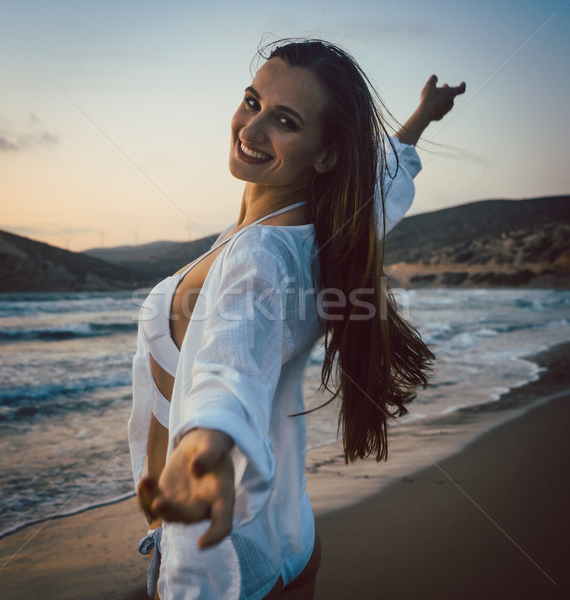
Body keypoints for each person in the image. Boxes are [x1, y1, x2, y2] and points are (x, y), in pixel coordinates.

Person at [129, 39, 465, 599]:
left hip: (226, 567)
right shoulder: (331, 231)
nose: (251, 129)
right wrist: (421, 118)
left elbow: (229, 361)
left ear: (325, 153)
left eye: (284, 121)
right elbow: (384, 189)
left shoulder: (256, 257)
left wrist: (204, 442)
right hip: (287, 538)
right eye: (251, 101)